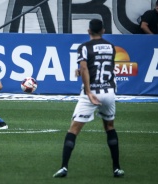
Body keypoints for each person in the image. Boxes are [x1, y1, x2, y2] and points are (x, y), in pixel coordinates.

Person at [53, 19, 124, 178]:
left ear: (88, 31)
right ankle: (117, 168)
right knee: (110, 127)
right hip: (109, 91)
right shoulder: (111, 47)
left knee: (73, 129)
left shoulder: (84, 47)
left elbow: (86, 67)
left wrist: (88, 90)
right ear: (103, 31)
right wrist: (82, 71)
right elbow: (101, 66)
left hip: (91, 92)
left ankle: (64, 167)